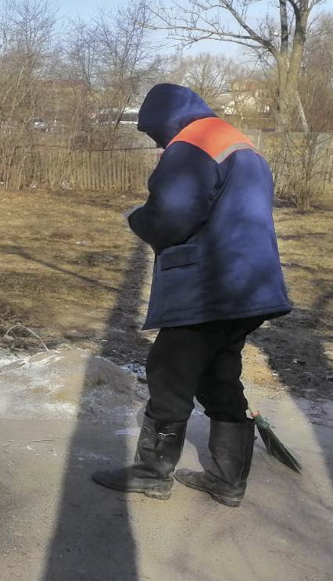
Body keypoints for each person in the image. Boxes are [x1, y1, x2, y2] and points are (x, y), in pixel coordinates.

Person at [92, 83, 292, 507]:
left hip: (210, 283)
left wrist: (138, 219)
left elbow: (171, 217)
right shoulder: (239, 143)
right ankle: (227, 479)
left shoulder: (193, 143)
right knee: (217, 372)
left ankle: (152, 472)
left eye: (153, 133)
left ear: (165, 119)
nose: (157, 141)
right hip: (251, 284)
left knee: (168, 369)